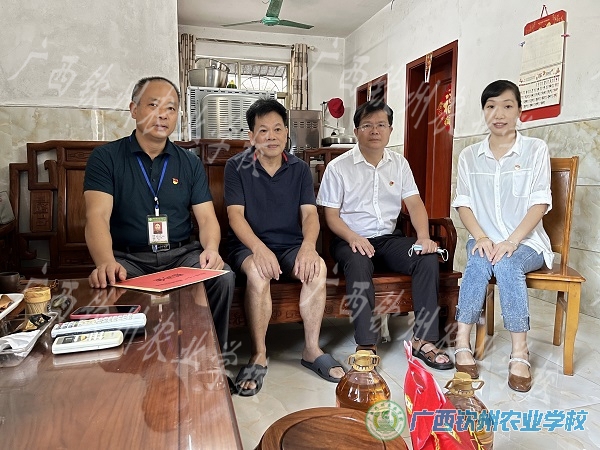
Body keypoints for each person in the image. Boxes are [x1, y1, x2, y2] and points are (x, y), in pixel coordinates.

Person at [83, 76, 234, 351]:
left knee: (222, 276)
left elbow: (207, 218)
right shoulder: (105, 158)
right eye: (153, 105)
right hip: (129, 258)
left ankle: (213, 358)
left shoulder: (189, 163)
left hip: (181, 255)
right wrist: (105, 262)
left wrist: (211, 249)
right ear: (134, 109)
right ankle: (131, 362)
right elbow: (97, 217)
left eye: (171, 108)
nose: (162, 115)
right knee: (107, 282)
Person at [317, 99, 453, 370]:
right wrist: (353, 238)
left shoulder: (399, 164)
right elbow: (331, 216)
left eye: (381, 125)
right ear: (356, 131)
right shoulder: (338, 167)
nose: (375, 131)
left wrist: (423, 237)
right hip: (349, 239)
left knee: (425, 257)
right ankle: (366, 344)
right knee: (358, 262)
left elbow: (414, 203)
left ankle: (423, 340)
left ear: (390, 130)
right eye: (367, 125)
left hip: (389, 240)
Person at [224, 98, 345, 396]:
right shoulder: (236, 166)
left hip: (290, 245)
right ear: (251, 135)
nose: (271, 136)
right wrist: (258, 249)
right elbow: (235, 216)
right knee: (258, 273)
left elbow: (310, 215)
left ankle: (311, 349)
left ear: (286, 132)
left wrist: (309, 247)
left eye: (278, 129)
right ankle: (259, 354)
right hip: (248, 245)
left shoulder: (300, 169)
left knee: (317, 269)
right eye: (263, 130)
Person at [451, 80, 553, 392]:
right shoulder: (469, 156)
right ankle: (462, 342)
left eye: (508, 106)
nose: (499, 113)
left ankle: (519, 353)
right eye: (491, 106)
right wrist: (481, 237)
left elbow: (540, 202)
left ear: (519, 110)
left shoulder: (535, 149)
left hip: (526, 241)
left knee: (508, 263)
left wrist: (512, 241)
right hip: (484, 237)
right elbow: (464, 204)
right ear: (484, 111)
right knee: (478, 262)